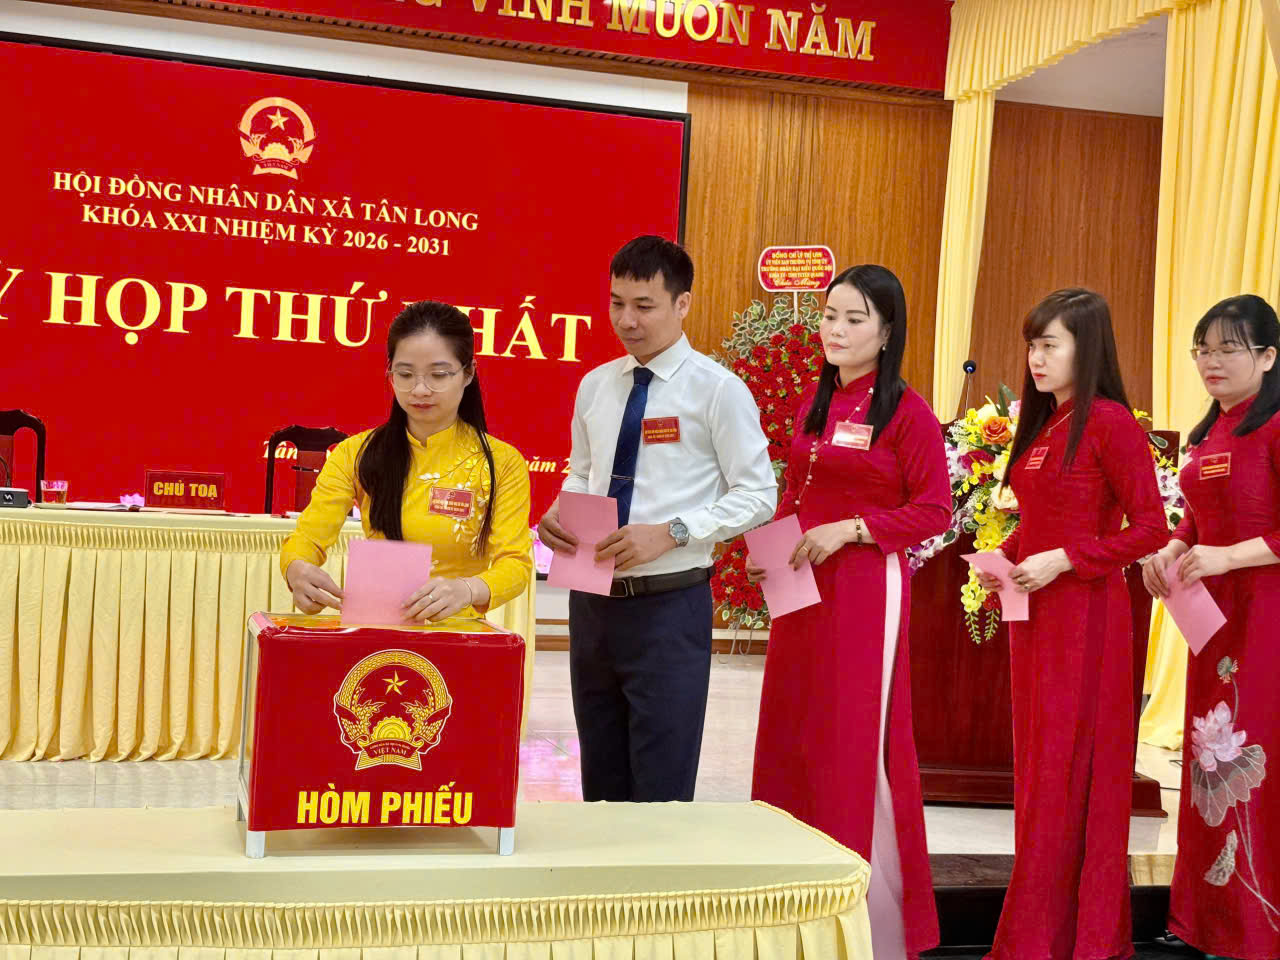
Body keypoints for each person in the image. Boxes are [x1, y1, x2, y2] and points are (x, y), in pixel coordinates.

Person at [748, 264, 949, 960]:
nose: (835, 329)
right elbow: (797, 490)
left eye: (854, 319)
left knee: (848, 740)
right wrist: (769, 548)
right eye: (830, 315)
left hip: (863, 590)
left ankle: (864, 921)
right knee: (793, 730)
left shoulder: (907, 413)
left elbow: (934, 510)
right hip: (800, 590)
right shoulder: (819, 399)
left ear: (887, 331)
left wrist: (853, 530)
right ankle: (787, 907)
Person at [537, 235, 776, 803]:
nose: (627, 320)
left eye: (644, 305)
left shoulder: (718, 391)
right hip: (593, 604)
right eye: (617, 303)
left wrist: (672, 533)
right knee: (600, 777)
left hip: (669, 608)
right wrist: (559, 508)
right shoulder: (596, 386)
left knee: (661, 785)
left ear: (682, 303)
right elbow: (583, 472)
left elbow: (758, 494)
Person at [969, 288, 1168, 960]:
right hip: (1035, 620)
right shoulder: (1048, 424)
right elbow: (1041, 520)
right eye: (1033, 344)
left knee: (1068, 773)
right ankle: (1039, 930)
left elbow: (1150, 528)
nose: (1036, 357)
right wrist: (1005, 558)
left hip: (1086, 620)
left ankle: (1070, 938)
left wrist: (1066, 559)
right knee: (1040, 774)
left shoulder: (1110, 423)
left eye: (1050, 344)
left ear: (1089, 347)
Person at [1141, 295, 1280, 958]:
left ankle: (1251, 930)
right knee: (1209, 763)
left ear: (1269, 356)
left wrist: (1229, 555)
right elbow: (1197, 516)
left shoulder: (1275, 427)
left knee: (1252, 764)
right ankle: (1201, 921)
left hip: (1265, 617)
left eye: (1228, 348)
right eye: (1203, 349)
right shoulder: (1210, 433)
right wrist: (1173, 548)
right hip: (1212, 622)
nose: (1211, 361)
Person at [281, 300, 532, 622]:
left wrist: (468, 589)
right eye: (405, 374)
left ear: (468, 373)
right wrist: (297, 568)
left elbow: (515, 564)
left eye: (438, 375)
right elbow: (308, 537)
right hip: (379, 625)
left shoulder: (501, 463)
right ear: (390, 373)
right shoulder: (355, 453)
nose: (420, 390)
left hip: (459, 632)